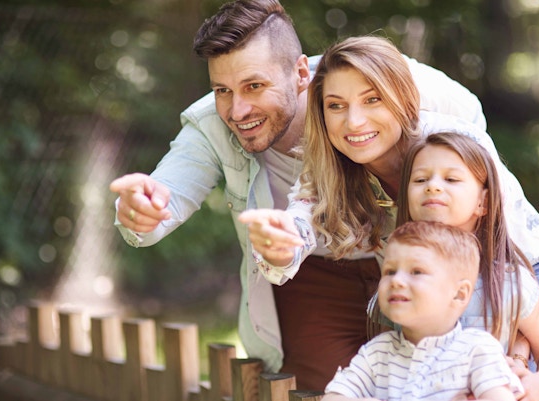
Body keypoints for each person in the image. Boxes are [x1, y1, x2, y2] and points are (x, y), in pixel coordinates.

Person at [109, 0, 487, 390]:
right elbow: (166, 194)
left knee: (451, 383)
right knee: (324, 391)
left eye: (254, 85)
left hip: (414, 262)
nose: (238, 110)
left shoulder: (373, 80)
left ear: (301, 73)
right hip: (312, 271)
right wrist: (142, 212)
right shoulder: (210, 125)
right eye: (223, 90)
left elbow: (471, 125)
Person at [238, 35, 539, 396]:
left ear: (401, 98)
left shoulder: (450, 145)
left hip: (518, 278)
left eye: (372, 99)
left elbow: (503, 265)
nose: (354, 121)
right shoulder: (327, 169)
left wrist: (519, 353)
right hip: (434, 293)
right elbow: (299, 225)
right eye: (336, 105)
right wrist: (280, 246)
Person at [392, 132, 539, 400]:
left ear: (483, 202)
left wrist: (536, 385)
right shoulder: (397, 282)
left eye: (451, 179)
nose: (433, 186)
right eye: (420, 179)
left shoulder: (510, 283)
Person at [322, 220, 525, 401]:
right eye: (390, 271)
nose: (397, 281)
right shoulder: (377, 353)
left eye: (416, 272)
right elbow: (332, 397)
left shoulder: (476, 350)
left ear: (459, 294)